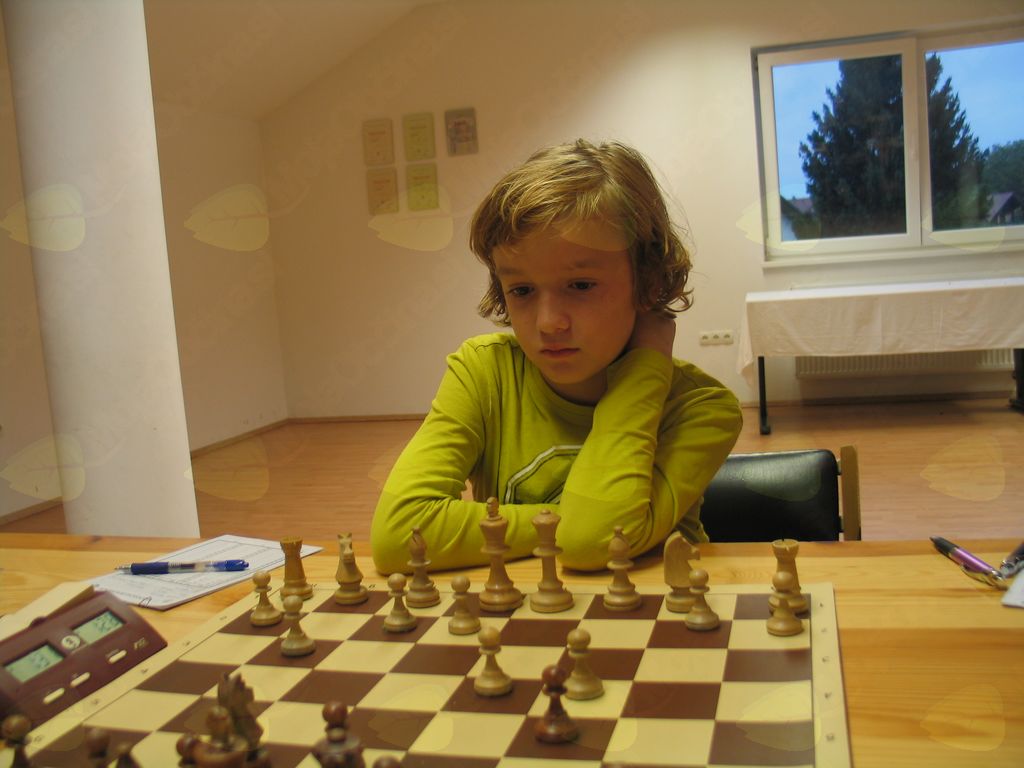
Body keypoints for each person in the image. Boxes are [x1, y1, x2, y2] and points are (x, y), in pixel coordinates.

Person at [371, 139, 742, 573]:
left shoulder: (702, 409)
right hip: (523, 610)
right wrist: (564, 525)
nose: (548, 323)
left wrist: (645, 369)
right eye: (522, 290)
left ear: (648, 282)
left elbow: (591, 541)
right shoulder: (484, 373)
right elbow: (399, 536)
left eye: (580, 285)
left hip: (655, 608)